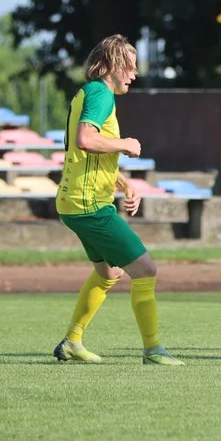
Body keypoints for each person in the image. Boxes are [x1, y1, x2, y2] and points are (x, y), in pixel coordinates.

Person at [52, 34, 183, 366]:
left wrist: (124, 182)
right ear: (113, 64)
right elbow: (85, 139)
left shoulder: (88, 92)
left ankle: (72, 342)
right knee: (145, 269)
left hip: (75, 201)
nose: (134, 74)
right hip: (89, 205)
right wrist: (125, 143)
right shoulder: (100, 94)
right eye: (130, 66)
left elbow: (87, 153)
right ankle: (153, 349)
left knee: (109, 273)